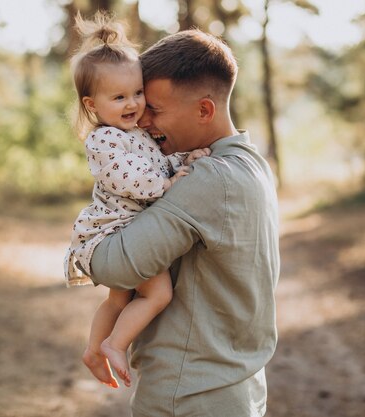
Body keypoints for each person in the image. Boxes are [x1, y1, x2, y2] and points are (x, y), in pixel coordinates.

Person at [88, 29, 281, 417]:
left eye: (154, 109)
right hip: (234, 389)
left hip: (190, 394)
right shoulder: (252, 163)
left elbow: (112, 264)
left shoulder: (208, 178)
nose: (142, 120)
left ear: (204, 110)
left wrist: (91, 232)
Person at [63, 13, 211, 389]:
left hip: (128, 227)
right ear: (92, 105)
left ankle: (94, 350)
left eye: (137, 94)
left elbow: (156, 164)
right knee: (158, 294)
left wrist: (182, 161)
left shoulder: (135, 133)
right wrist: (170, 181)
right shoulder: (103, 140)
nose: (132, 104)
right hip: (113, 228)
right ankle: (116, 344)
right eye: (118, 97)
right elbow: (136, 181)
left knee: (117, 301)